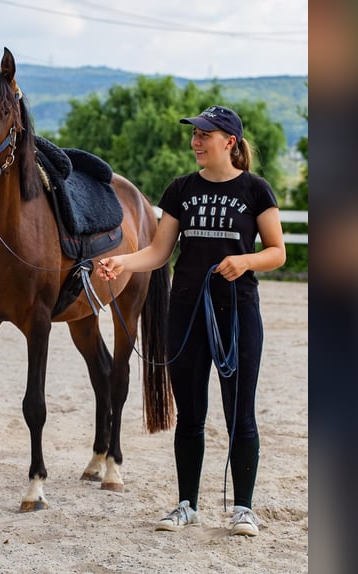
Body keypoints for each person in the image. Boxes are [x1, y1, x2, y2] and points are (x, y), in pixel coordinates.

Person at [97, 106, 286, 536]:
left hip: (238, 311)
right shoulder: (181, 189)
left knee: (241, 414)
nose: (196, 141)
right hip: (185, 309)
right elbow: (160, 251)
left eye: (205, 134)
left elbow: (277, 251)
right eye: (195, 134)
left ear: (230, 142)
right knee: (191, 415)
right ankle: (187, 504)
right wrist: (123, 262)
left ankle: (244, 509)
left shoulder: (256, 190)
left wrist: (244, 260)